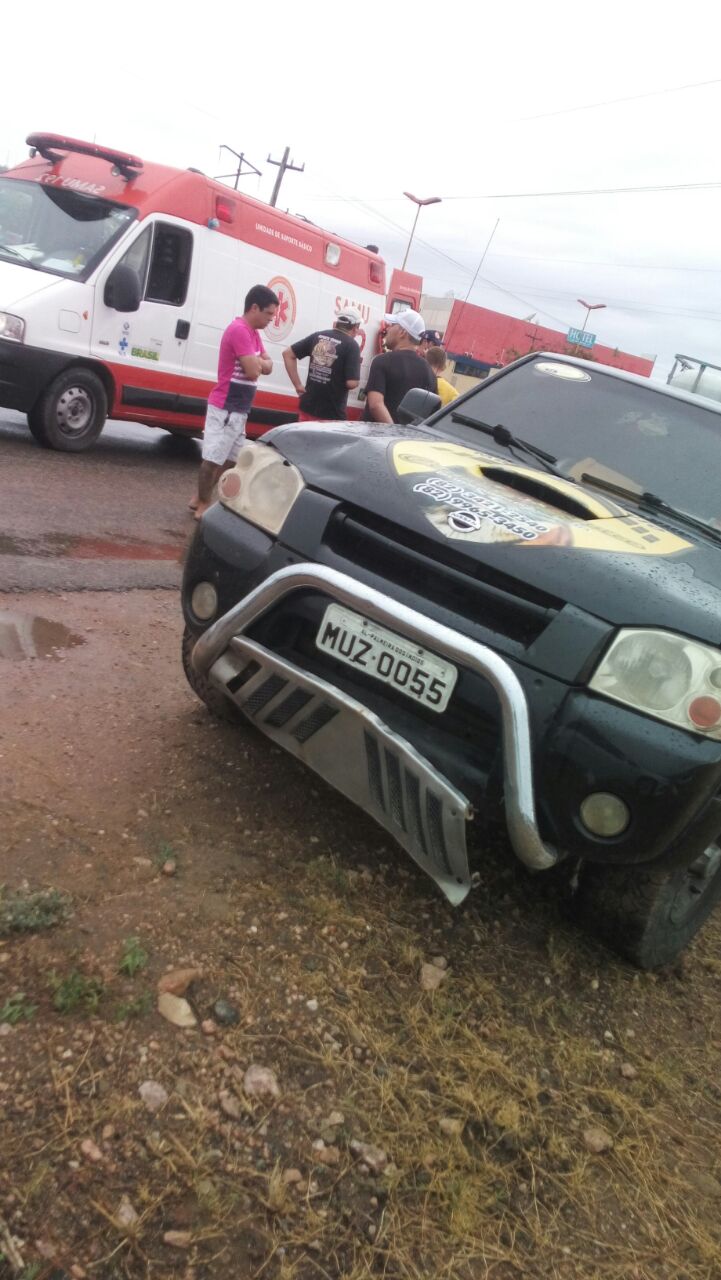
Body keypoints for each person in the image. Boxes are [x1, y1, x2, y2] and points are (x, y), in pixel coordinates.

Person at [191, 284, 279, 519]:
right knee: (212, 458)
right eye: (269, 313)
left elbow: (268, 366)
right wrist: (259, 362)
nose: (271, 320)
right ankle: (202, 503)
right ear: (254, 308)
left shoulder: (253, 334)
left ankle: (201, 495)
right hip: (226, 406)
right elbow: (253, 371)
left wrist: (259, 362)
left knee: (232, 458)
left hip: (239, 408)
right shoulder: (240, 330)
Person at [282, 307, 362, 421]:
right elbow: (352, 383)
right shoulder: (352, 345)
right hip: (331, 414)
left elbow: (287, 354)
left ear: (337, 323)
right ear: (355, 328)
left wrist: (298, 386)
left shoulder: (317, 336)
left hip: (307, 406)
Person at [362, 310, 437, 423]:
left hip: (374, 437)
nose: (387, 329)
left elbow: (375, 405)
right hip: (406, 439)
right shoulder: (429, 372)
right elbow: (430, 414)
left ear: (402, 332)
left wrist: (392, 433)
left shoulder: (382, 361)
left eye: (392, 325)